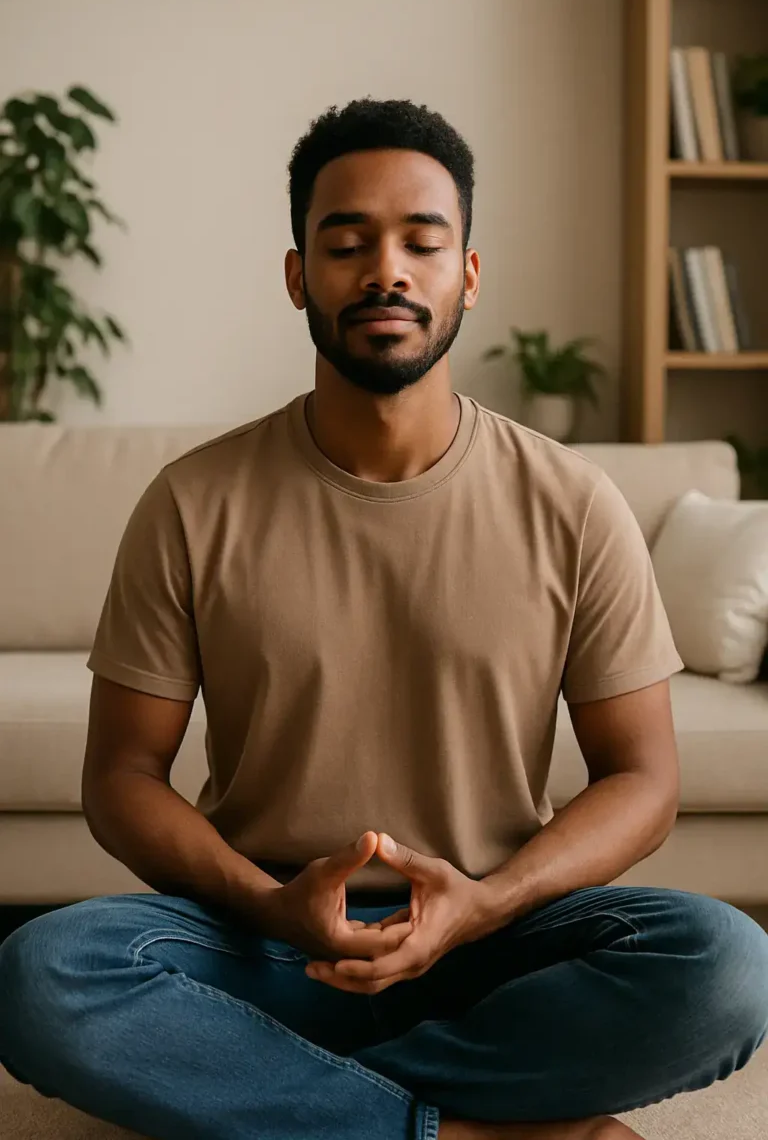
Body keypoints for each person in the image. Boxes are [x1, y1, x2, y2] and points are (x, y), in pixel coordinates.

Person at [0, 98, 767, 1140]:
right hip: (263, 937)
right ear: (296, 275)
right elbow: (122, 779)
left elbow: (644, 778)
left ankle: (284, 1101)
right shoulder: (192, 502)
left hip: (494, 934)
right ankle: (463, 1129)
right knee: (41, 976)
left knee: (727, 965)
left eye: (421, 240)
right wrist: (270, 907)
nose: (387, 271)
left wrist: (486, 905)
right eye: (347, 242)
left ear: (469, 274)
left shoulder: (574, 503)